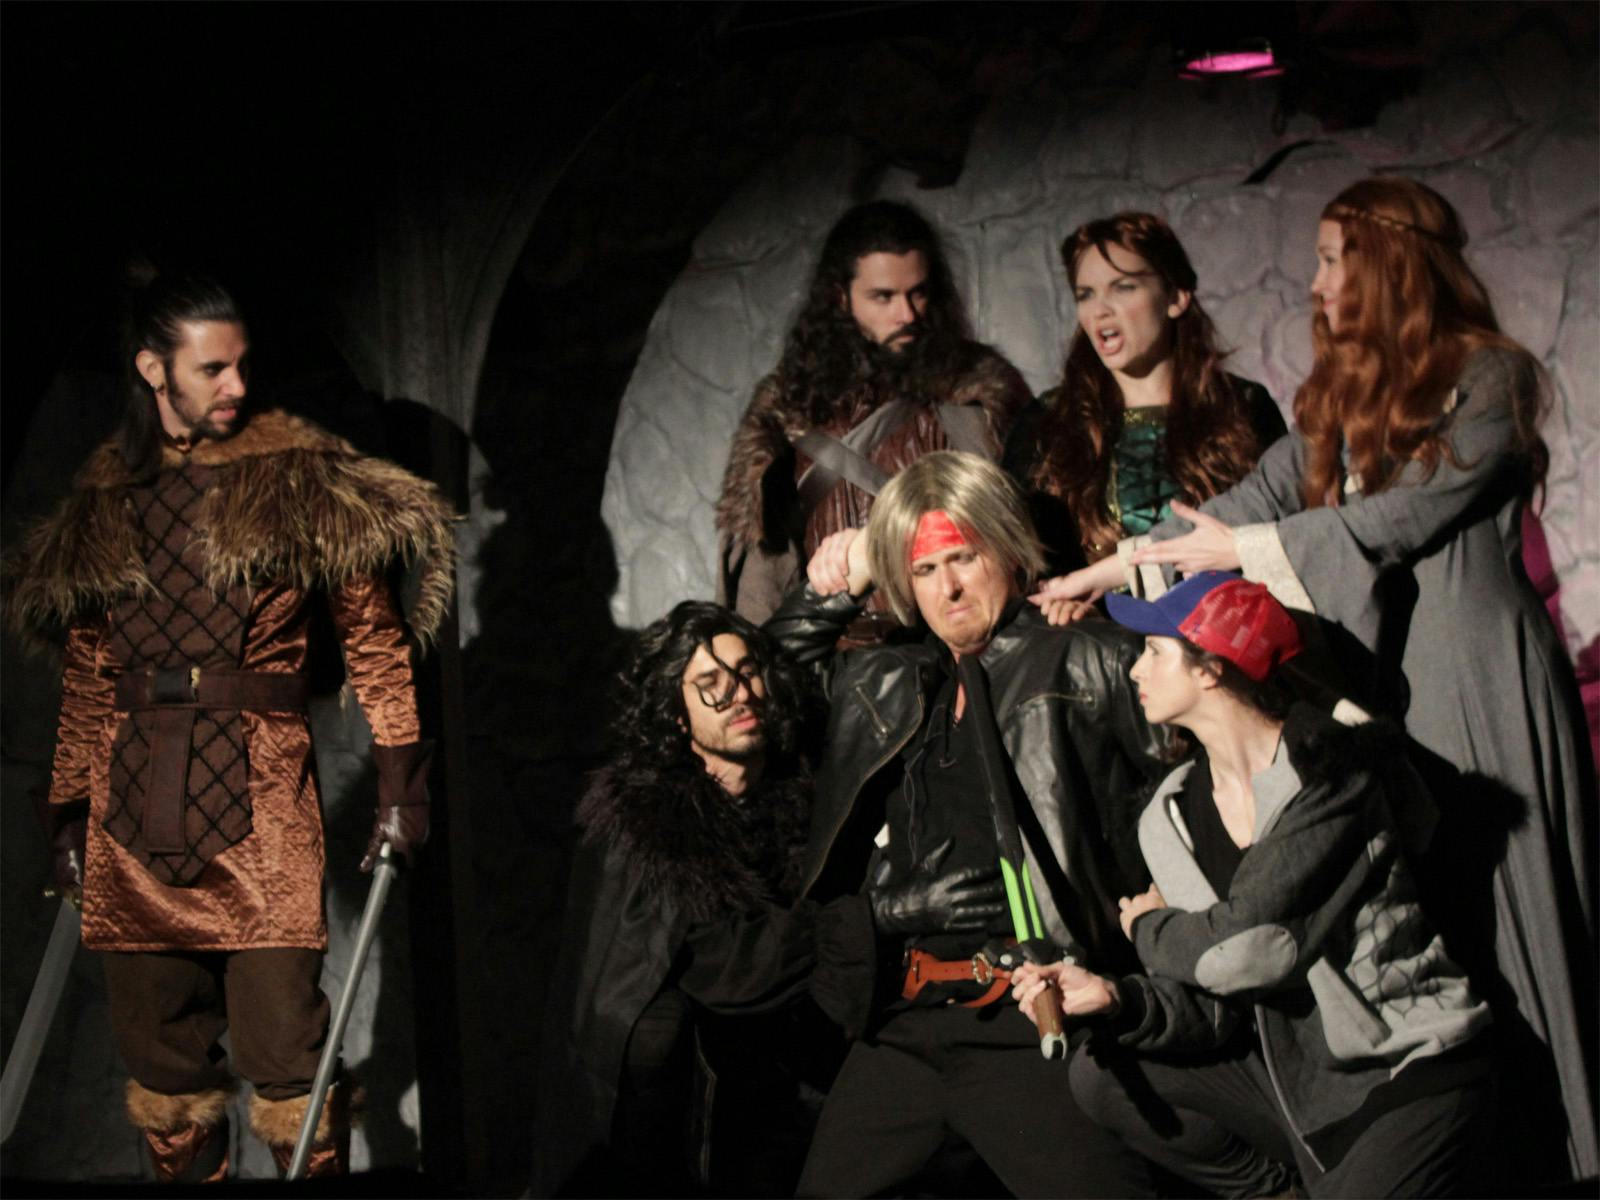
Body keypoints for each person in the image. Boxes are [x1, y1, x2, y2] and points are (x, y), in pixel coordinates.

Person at [1034, 176, 1597, 1181]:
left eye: (1335, 258)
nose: (1317, 280)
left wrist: (1246, 550)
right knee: (1434, 926)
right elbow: (1240, 504)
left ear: (1393, 264)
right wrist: (1112, 571)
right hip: (1392, 683)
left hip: (1478, 678)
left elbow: (1406, 512)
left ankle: (1562, 1162)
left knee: (1512, 921)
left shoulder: (1489, 376)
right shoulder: (1338, 403)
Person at [4, 274, 457, 1181]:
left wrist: (401, 789)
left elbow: (376, 647)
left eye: (241, 365)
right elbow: (90, 680)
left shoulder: (302, 480)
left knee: (289, 1056)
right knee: (164, 1068)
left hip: (264, 819)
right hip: (130, 820)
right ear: (152, 370)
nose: (236, 386)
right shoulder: (105, 500)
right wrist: (67, 815)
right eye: (212, 369)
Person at [765, 450, 1186, 1198]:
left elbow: (1201, 781)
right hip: (906, 1023)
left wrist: (1159, 930)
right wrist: (856, 568)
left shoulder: (1086, 658)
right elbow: (764, 679)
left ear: (1009, 550)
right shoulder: (886, 679)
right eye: (923, 570)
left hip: (1034, 1013)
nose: (948, 589)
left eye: (964, 558)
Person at [1013, 571, 1497, 1197]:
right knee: (1102, 1073)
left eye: (1155, 651)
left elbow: (1248, 949)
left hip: (1402, 1066)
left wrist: (1148, 927)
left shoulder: (1332, 773)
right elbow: (1213, 1000)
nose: (1135, 670)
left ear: (1211, 668)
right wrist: (1119, 999)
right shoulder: (1169, 817)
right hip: (1299, 1091)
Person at [529, 602, 875, 1198]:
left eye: (747, 673)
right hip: (669, 1109)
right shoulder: (649, 823)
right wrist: (857, 921)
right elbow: (730, 968)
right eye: (710, 685)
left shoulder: (798, 795)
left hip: (774, 1080)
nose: (738, 695)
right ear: (676, 713)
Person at [715, 200, 1030, 637]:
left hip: (959, 643)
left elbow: (1024, 531)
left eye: (918, 293)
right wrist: (765, 656)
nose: (907, 314)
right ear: (840, 297)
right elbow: (762, 564)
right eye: (883, 296)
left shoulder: (979, 390)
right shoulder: (788, 406)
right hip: (834, 655)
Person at [1006, 211, 1285, 574]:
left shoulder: (1242, 406)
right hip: (1088, 611)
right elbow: (1012, 550)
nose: (1100, 310)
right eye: (1085, 294)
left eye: (1123, 287)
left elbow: (1278, 537)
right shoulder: (1048, 420)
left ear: (1175, 296)